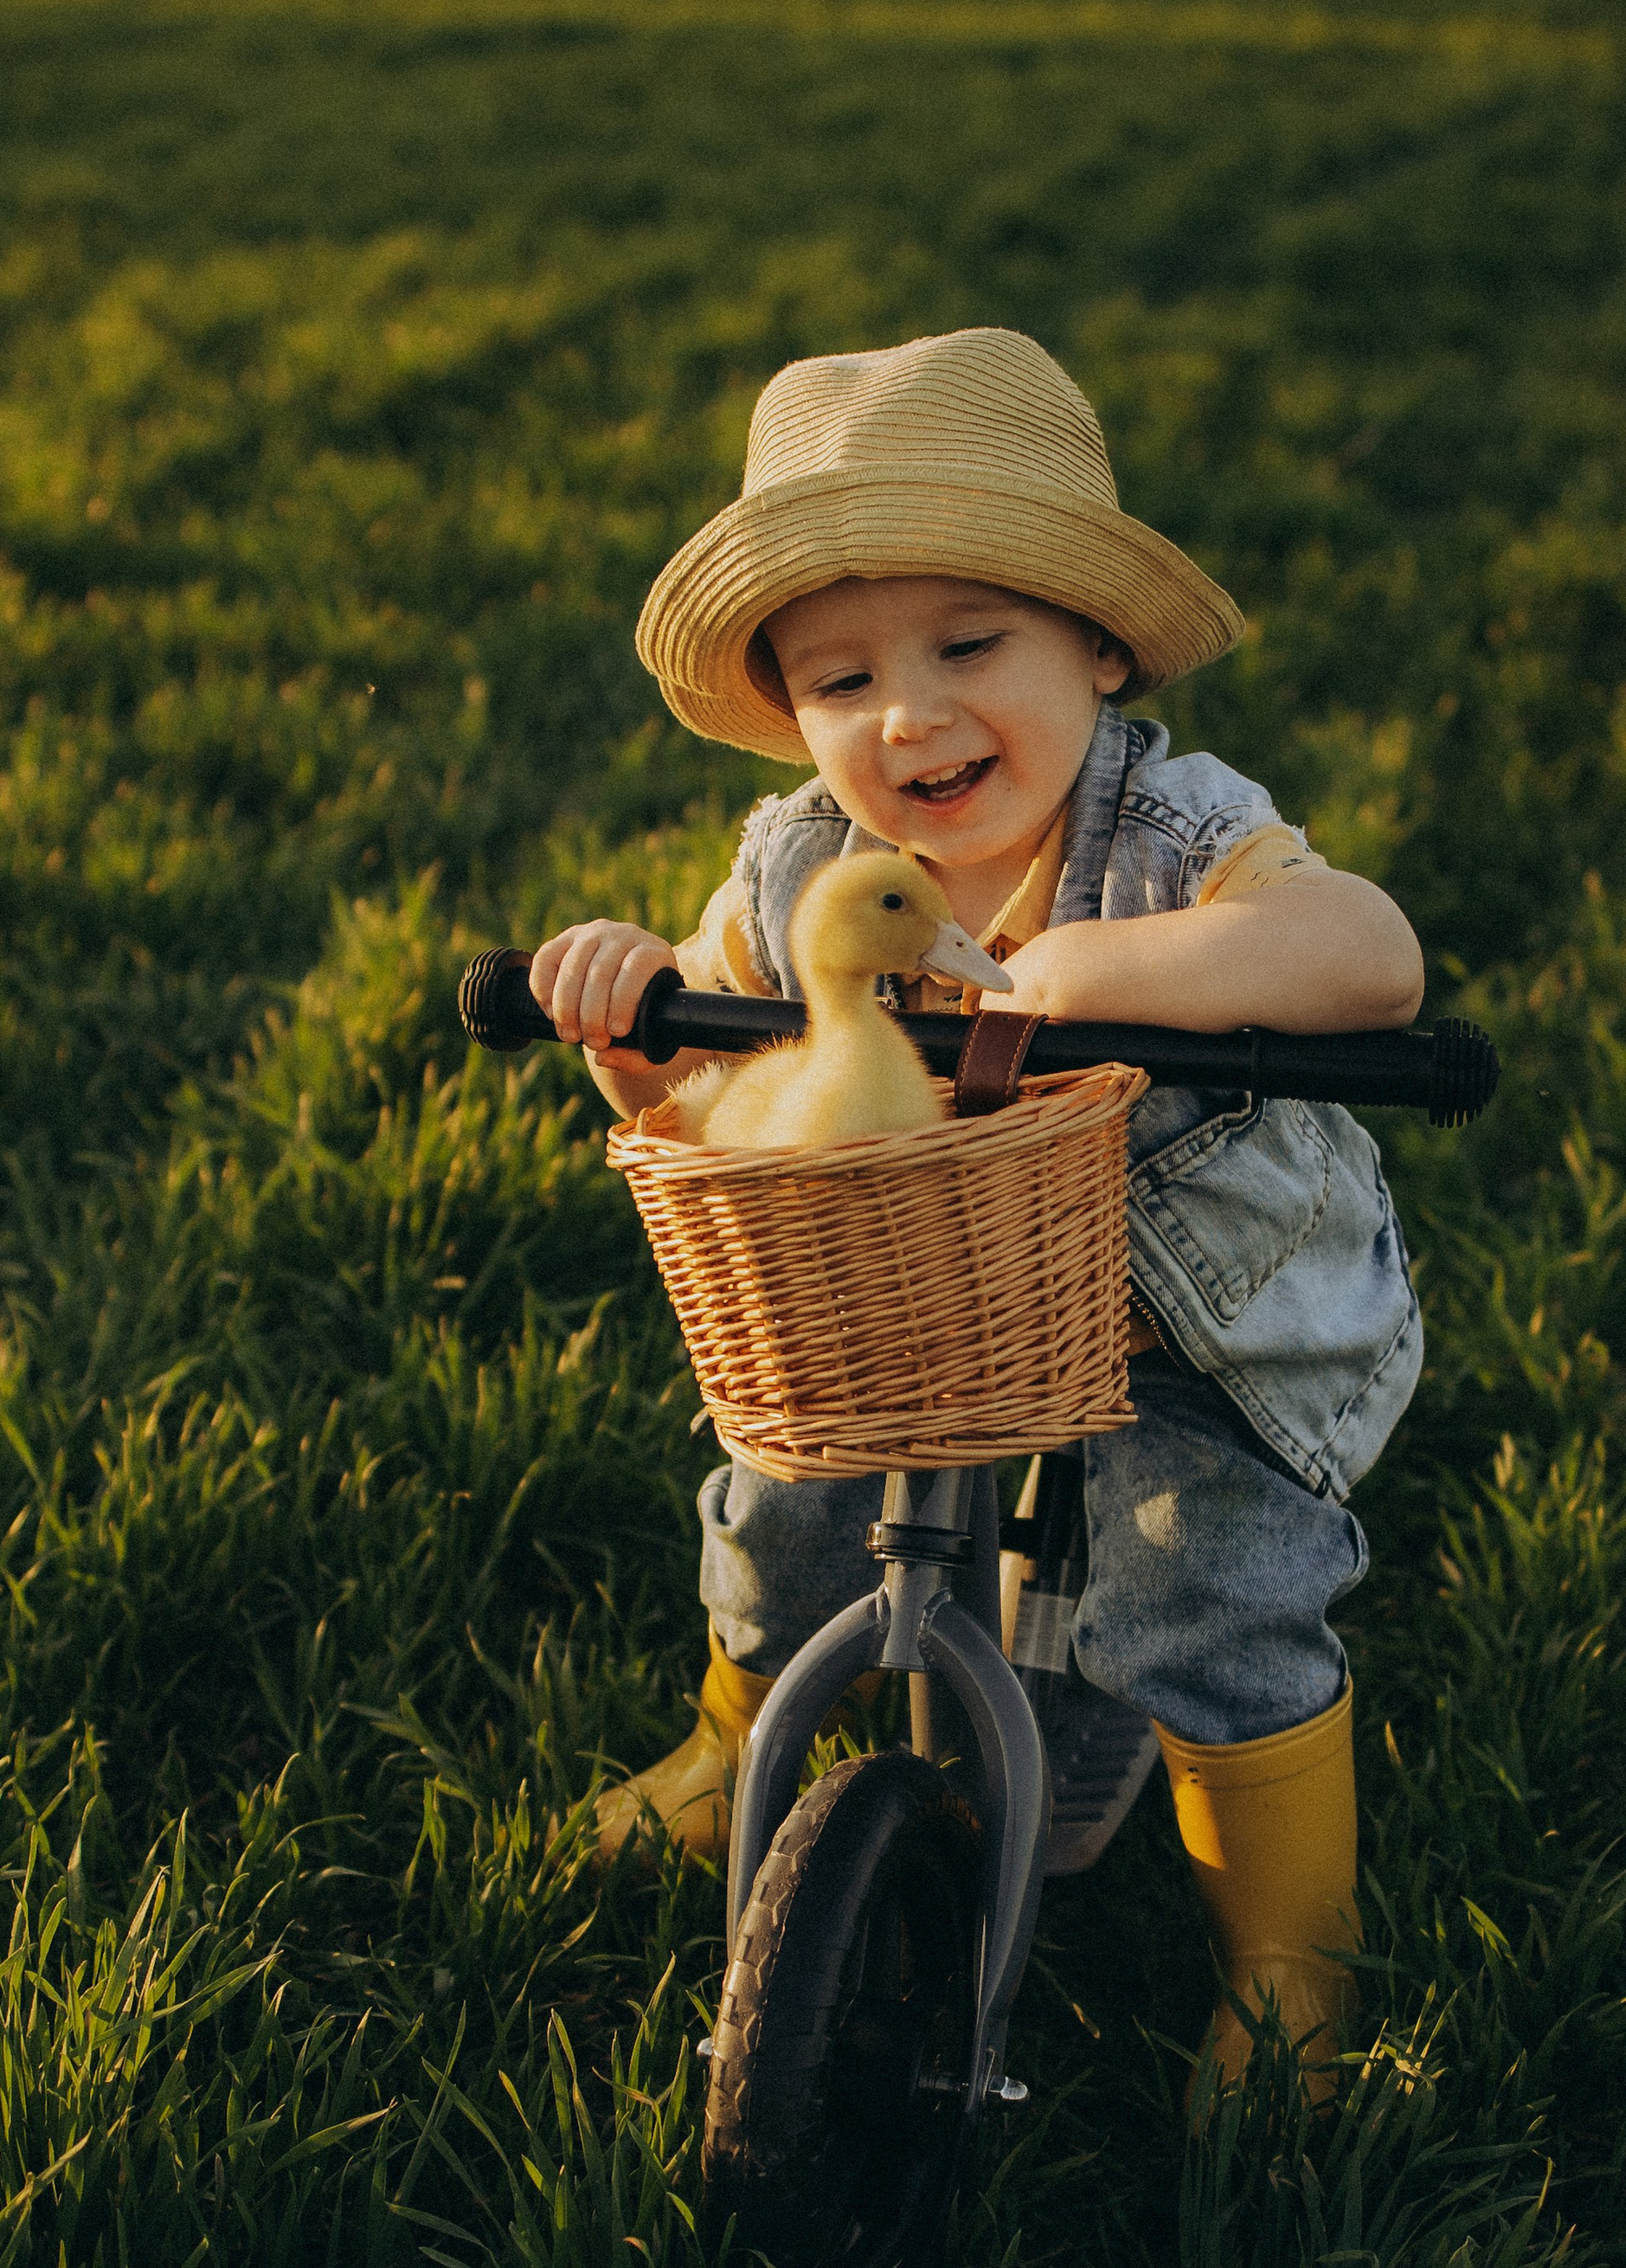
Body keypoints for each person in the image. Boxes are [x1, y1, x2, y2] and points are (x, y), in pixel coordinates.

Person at [530, 328, 1426, 2099]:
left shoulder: (1173, 833)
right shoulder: (795, 867)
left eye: (967, 644)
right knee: (787, 1506)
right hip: (908, 1308)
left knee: (1201, 1594)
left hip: (1190, 1326)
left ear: (1092, 639)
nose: (907, 715)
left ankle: (1290, 1978)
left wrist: (1117, 965)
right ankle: (737, 1743)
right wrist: (637, 1041)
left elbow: (1370, 957)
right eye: (837, 675)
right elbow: (729, 1100)